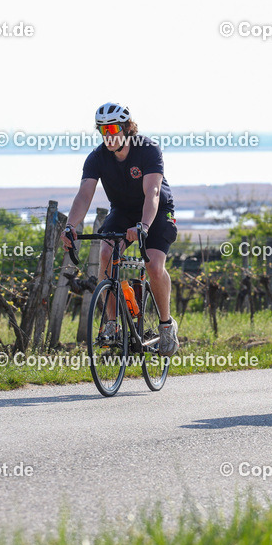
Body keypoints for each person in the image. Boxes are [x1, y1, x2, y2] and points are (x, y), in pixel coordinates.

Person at [61, 102, 180, 356]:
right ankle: (112, 324)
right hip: (123, 212)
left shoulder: (147, 149)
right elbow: (84, 195)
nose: (108, 135)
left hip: (157, 211)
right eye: (102, 130)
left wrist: (143, 226)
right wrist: (70, 226)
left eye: (113, 128)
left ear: (126, 128)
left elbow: (153, 192)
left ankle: (166, 325)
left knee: (154, 265)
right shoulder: (96, 157)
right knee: (106, 253)